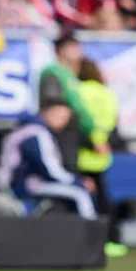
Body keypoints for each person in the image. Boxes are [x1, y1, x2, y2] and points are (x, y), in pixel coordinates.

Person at [0, 99, 97, 220]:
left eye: (66, 119)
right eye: (61, 117)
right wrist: (78, 182)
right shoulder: (37, 133)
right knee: (81, 194)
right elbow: (51, 170)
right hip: (23, 185)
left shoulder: (26, 129)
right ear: (47, 113)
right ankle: (92, 236)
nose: (63, 122)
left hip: (16, 183)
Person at [77, 59, 126, 258]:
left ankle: (83, 240)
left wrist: (90, 144)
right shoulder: (108, 95)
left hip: (79, 156)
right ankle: (112, 240)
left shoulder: (77, 92)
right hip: (101, 157)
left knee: (80, 201)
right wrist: (105, 145)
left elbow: (75, 125)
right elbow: (115, 127)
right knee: (103, 201)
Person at [39, 33, 106, 173]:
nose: (77, 51)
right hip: (61, 133)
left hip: (74, 132)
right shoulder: (53, 72)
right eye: (72, 47)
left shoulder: (70, 75)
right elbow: (52, 106)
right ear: (60, 50)